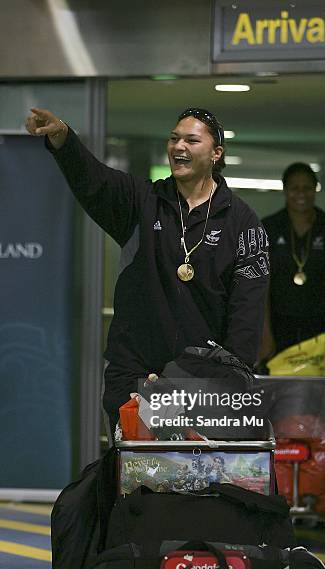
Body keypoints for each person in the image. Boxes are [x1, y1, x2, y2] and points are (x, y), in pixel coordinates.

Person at [25, 107, 270, 438]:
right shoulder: (143, 201)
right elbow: (93, 180)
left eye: (191, 140)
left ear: (216, 153)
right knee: (135, 481)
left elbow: (246, 319)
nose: (179, 146)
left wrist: (221, 384)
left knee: (193, 483)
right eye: (174, 138)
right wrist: (63, 139)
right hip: (134, 375)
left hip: (200, 385)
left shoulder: (242, 222)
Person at [259, 162, 325, 366]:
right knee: (279, 392)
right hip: (279, 324)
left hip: (319, 324)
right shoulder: (269, 227)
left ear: (315, 189)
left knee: (316, 391)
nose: (301, 194)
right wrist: (265, 334)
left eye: (307, 187)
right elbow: (261, 286)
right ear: (285, 190)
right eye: (294, 188)